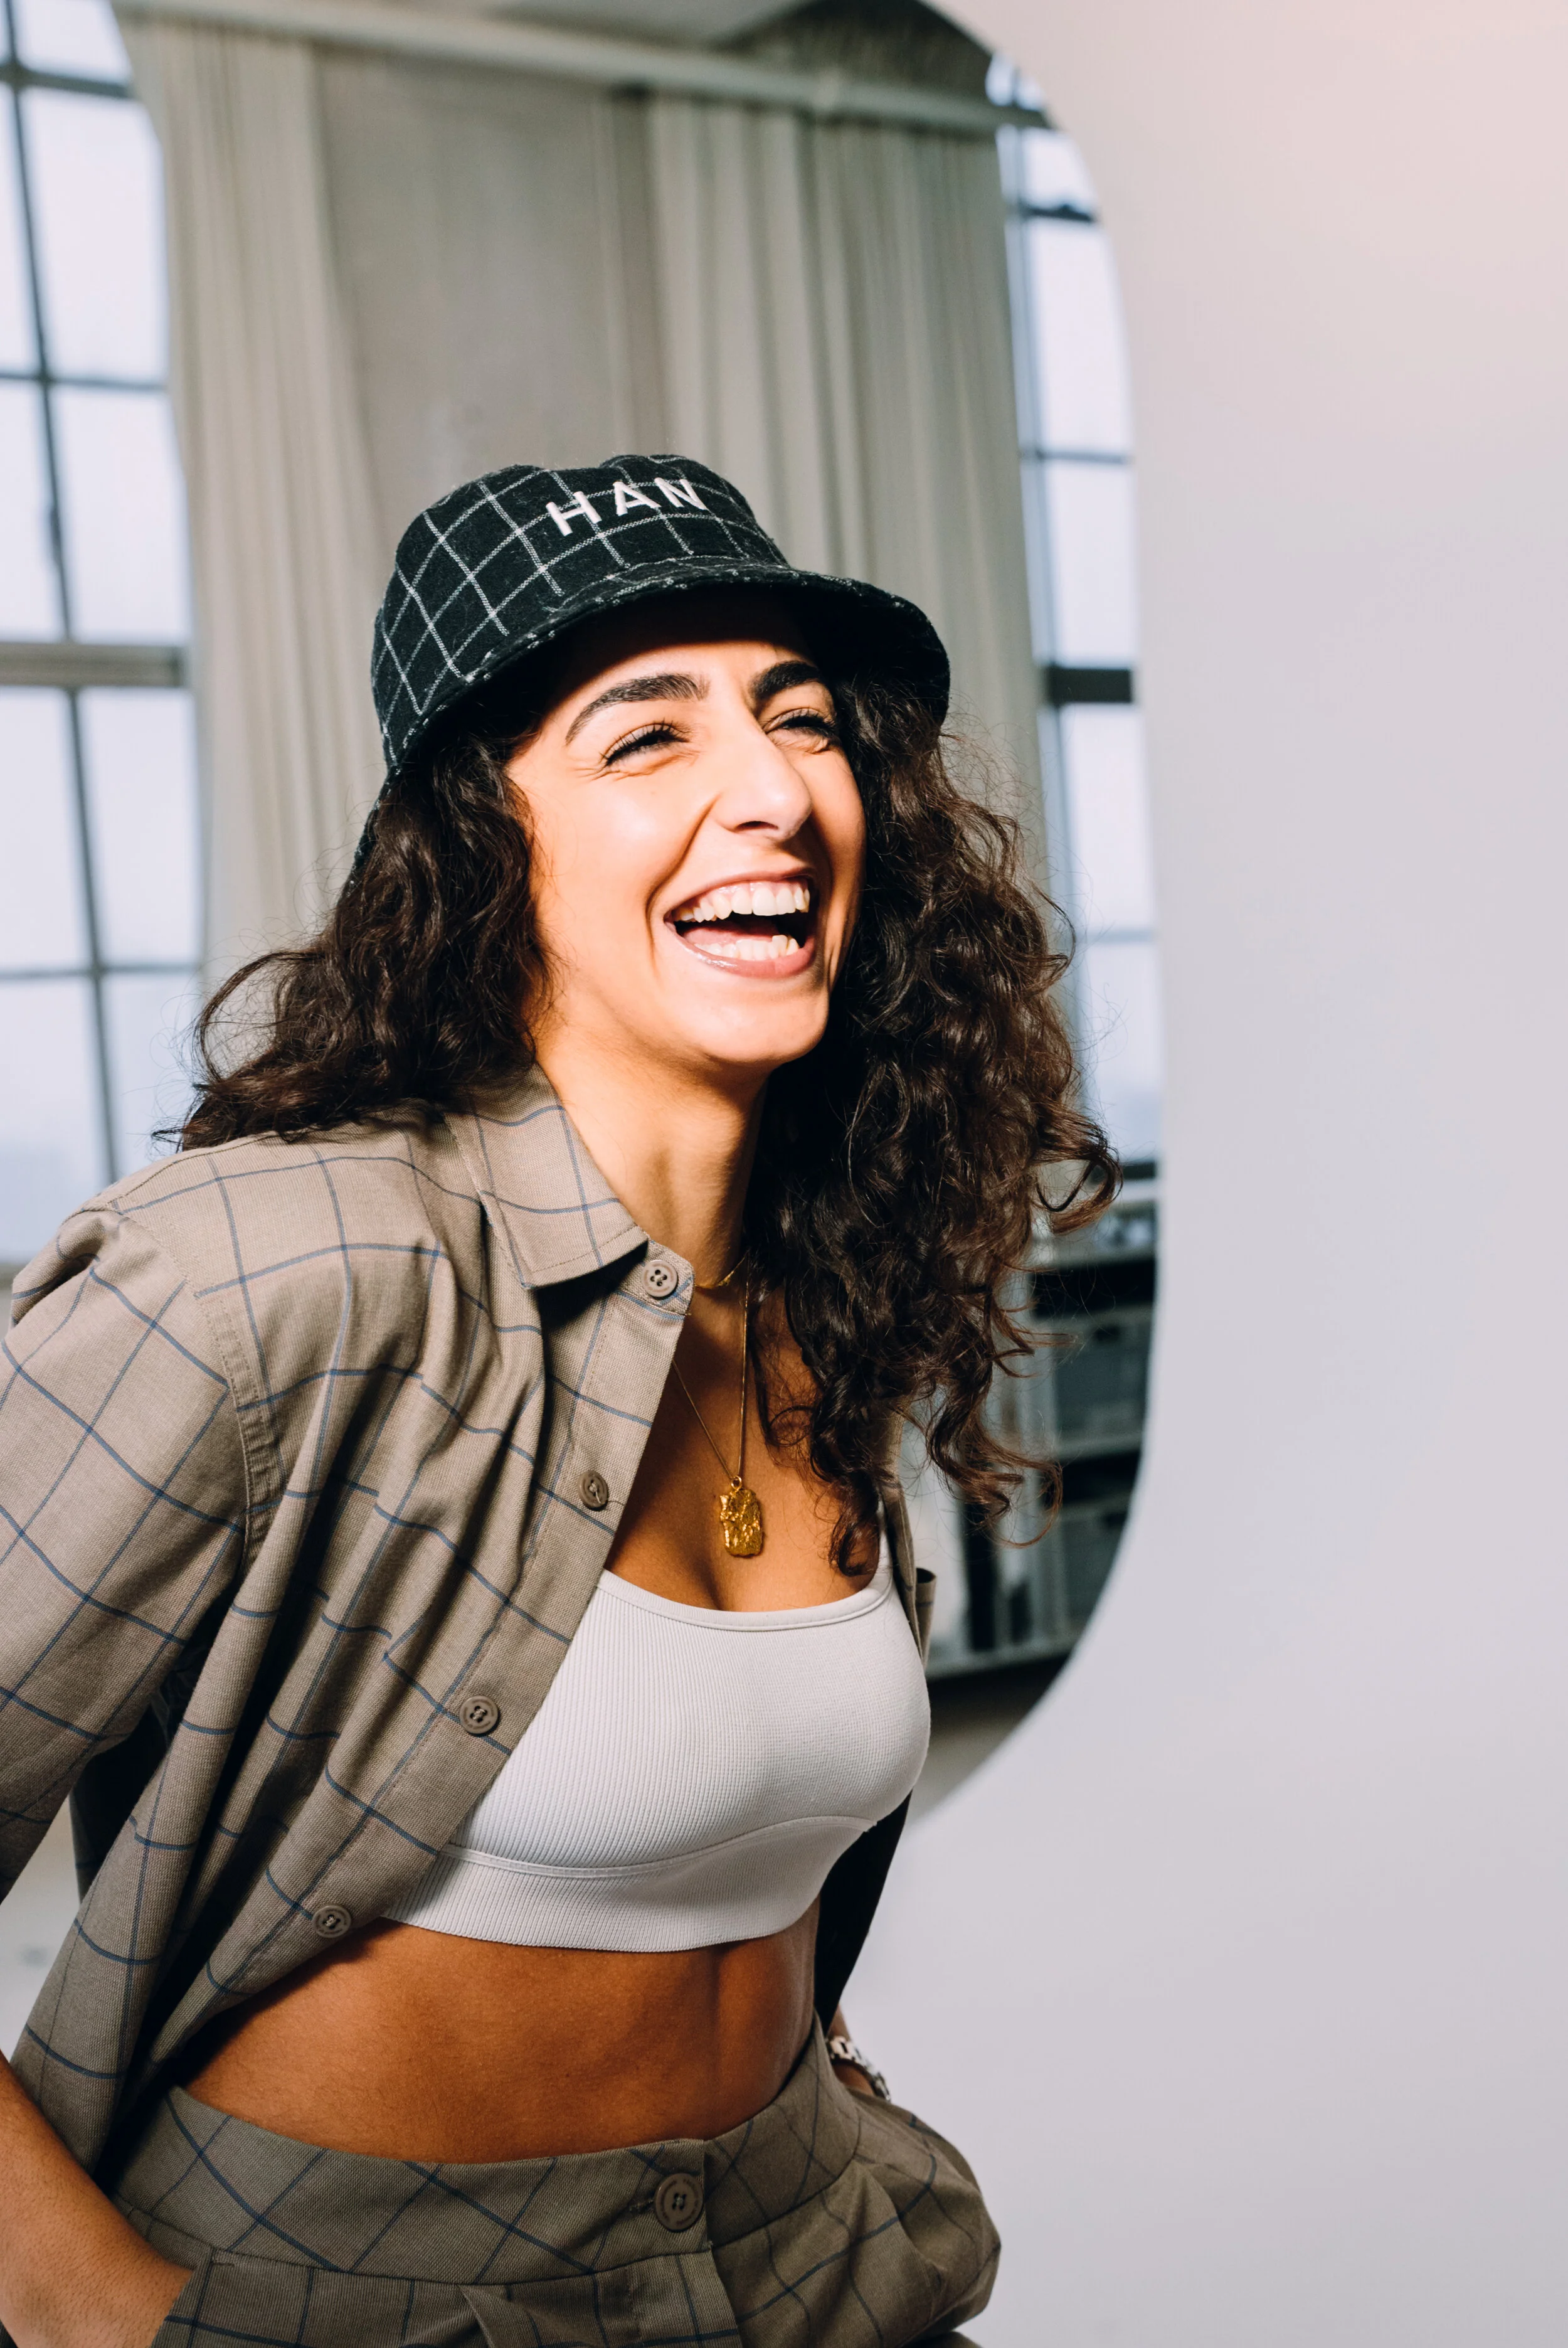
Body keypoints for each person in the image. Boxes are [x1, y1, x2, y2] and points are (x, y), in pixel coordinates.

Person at [0, 456, 1115, 2348]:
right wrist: (114, 2323)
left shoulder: (823, 1289)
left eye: (800, 721)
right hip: (351, 2290)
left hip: (812, 2245)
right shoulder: (276, 1269)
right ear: (480, 837)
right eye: (643, 736)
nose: (770, 790)